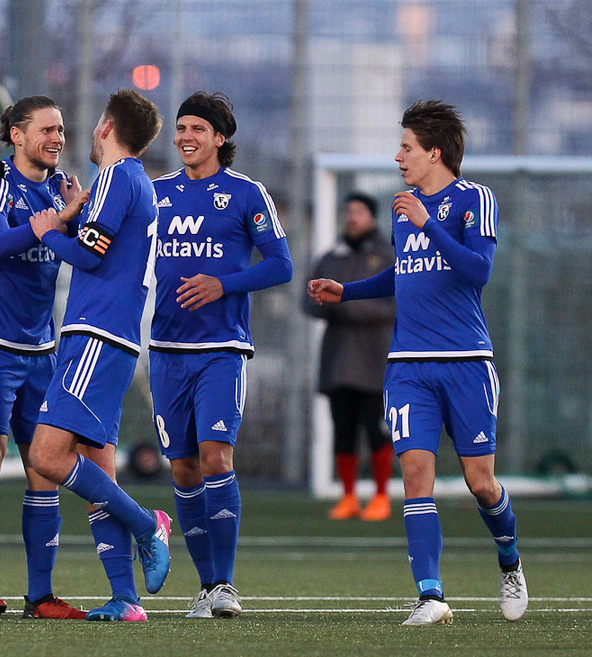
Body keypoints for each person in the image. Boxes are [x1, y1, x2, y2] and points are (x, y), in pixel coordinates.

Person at [308, 99, 528, 626]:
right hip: (407, 364)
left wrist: (429, 223)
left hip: (466, 361)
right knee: (414, 474)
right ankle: (431, 595)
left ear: (434, 152)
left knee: (481, 482)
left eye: (406, 147)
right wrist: (347, 290)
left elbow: (478, 270)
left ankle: (510, 561)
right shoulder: (403, 208)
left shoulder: (475, 199)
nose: (398, 156)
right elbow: (404, 272)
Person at [27, 89, 171, 623]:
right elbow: (106, 246)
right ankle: (126, 599)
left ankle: (147, 524)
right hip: (116, 337)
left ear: (107, 126)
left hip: (96, 334)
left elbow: (88, 255)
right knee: (96, 474)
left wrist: (49, 231)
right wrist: (78, 214)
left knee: (46, 456)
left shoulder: (116, 175)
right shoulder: (136, 183)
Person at [149, 91, 293, 619]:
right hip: (166, 350)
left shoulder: (246, 193)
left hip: (221, 349)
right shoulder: (156, 193)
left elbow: (280, 265)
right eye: (181, 127)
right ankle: (207, 586)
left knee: (216, 458)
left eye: (197, 129)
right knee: (184, 469)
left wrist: (223, 284)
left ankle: (226, 585)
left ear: (219, 137)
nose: (185, 137)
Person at [0, 96, 88, 620]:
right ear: (16, 134)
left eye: (61, 129)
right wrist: (55, 222)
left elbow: (82, 251)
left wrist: (79, 219)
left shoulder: (60, 190)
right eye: (47, 129)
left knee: (44, 470)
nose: (57, 138)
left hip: (41, 350)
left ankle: (41, 596)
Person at [304, 192, 396, 522]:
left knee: (377, 430)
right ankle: (348, 497)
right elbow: (308, 301)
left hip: (376, 359)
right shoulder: (331, 258)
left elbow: (395, 303)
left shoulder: (388, 256)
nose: (351, 217)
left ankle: (382, 495)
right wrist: (322, 301)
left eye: (358, 211)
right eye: (348, 211)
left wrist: (346, 302)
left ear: (372, 216)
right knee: (342, 430)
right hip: (338, 360)